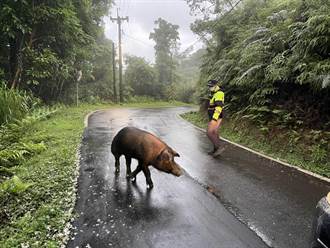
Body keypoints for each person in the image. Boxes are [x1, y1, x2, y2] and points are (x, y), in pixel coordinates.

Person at [206, 79, 226, 157]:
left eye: (211, 86)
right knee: (214, 132)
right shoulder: (214, 93)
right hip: (214, 115)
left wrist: (214, 118)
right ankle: (216, 149)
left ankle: (219, 147)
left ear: (215, 86)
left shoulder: (219, 93)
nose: (209, 87)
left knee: (209, 132)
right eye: (209, 86)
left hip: (216, 115)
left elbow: (219, 106)